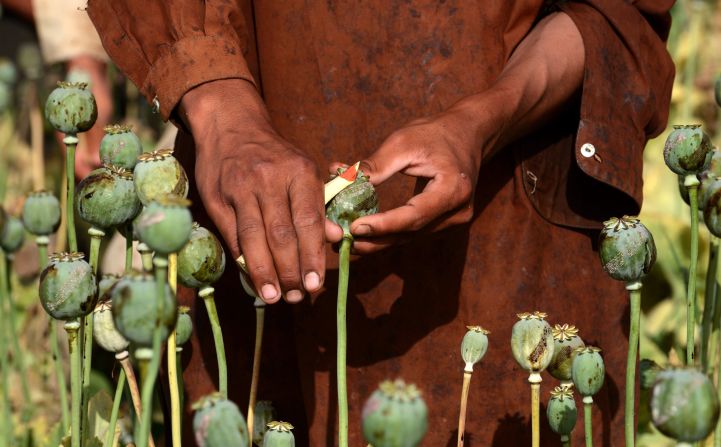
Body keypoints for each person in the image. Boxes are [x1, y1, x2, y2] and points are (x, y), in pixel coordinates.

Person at [87, 1, 674, 445]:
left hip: (508, 234)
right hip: (249, 204)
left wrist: (483, 120)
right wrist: (222, 108)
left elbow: (615, 10)